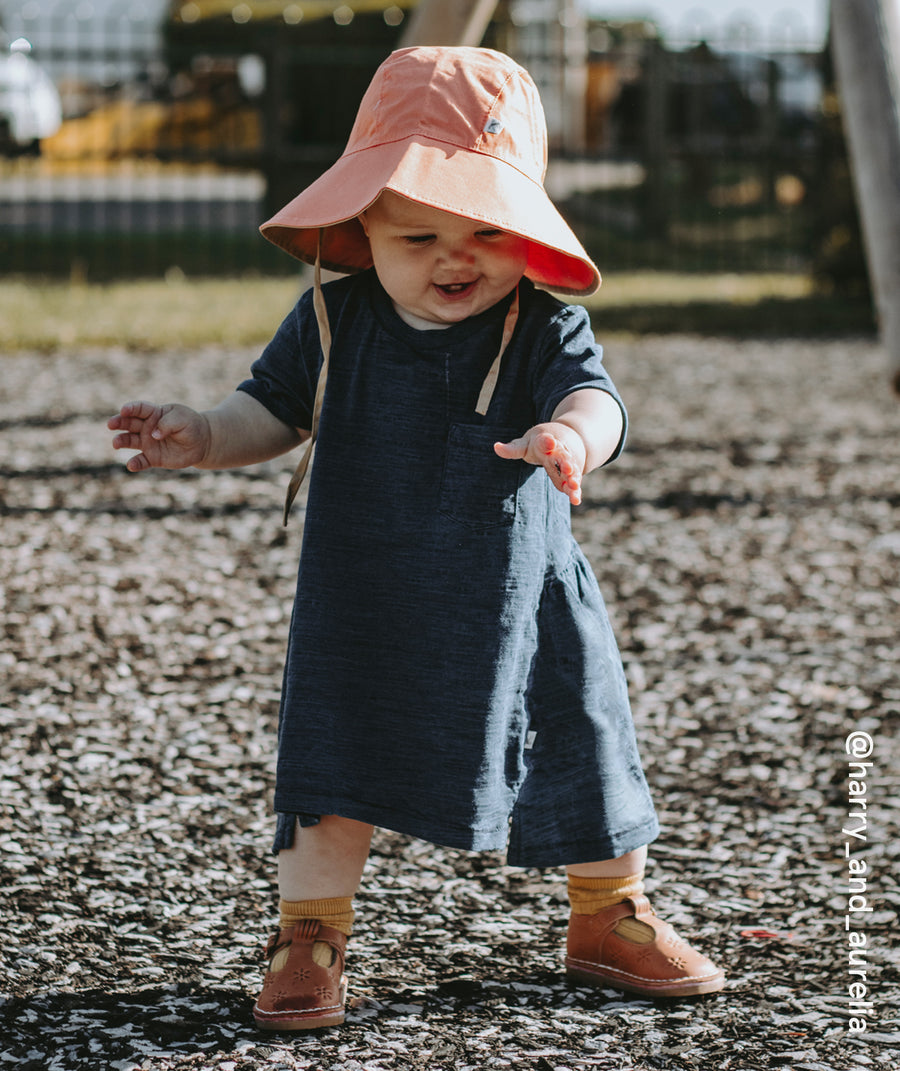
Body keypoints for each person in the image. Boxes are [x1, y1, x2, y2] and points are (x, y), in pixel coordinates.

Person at [108, 46, 724, 1031]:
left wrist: (573, 437)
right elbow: (269, 411)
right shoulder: (331, 319)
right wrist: (204, 437)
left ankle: (609, 909)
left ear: (527, 228)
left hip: (525, 598)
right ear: (360, 230)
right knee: (330, 762)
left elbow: (596, 401)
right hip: (366, 594)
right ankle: (310, 930)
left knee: (583, 738)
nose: (454, 256)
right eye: (419, 233)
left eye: (487, 228)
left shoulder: (539, 327)